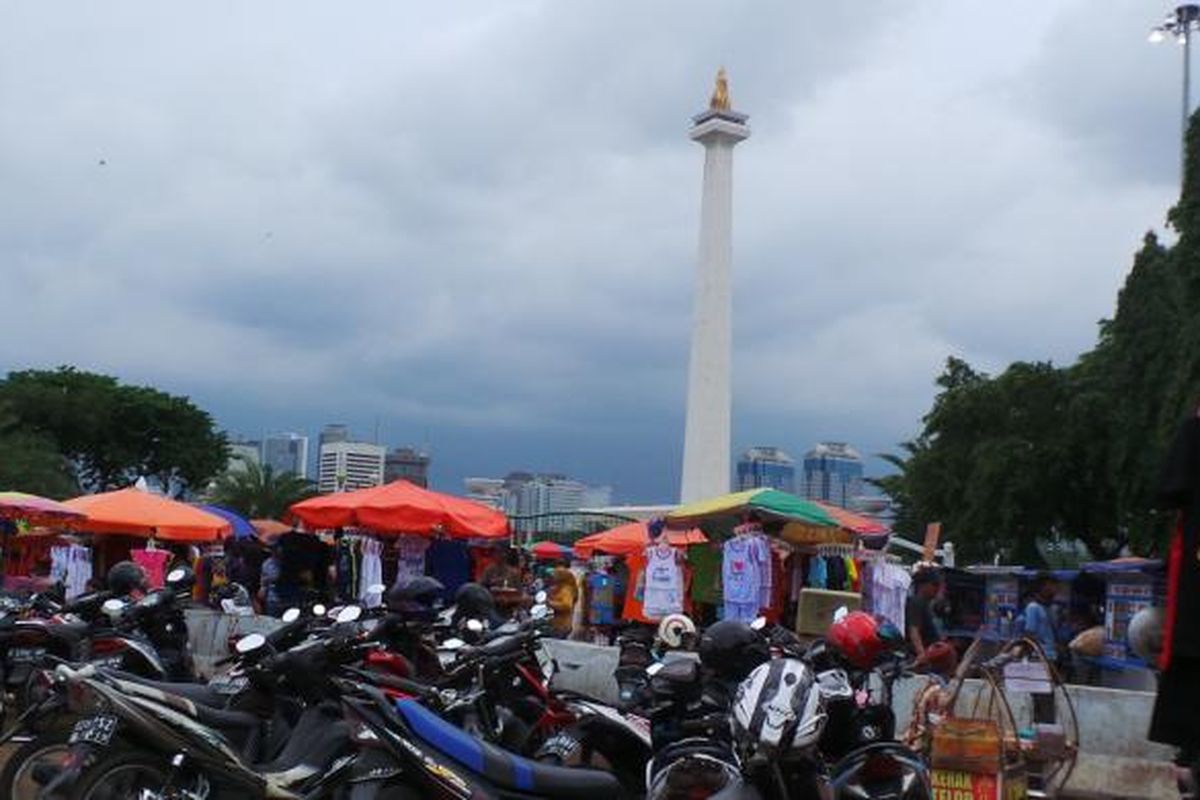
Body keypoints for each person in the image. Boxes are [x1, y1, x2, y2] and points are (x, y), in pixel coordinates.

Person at [906, 568, 953, 672]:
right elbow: (914, 630)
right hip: (921, 658)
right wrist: (921, 654)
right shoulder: (916, 602)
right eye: (934, 584)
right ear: (923, 585)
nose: (937, 589)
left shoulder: (927, 604)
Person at [1021, 573, 1060, 662]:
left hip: (1052, 654)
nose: (1054, 589)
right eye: (1051, 585)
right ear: (1042, 588)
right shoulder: (1033, 607)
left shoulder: (1051, 608)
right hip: (1040, 655)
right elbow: (1030, 633)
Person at [547, 559, 579, 638]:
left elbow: (566, 605)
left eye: (557, 575)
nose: (554, 576)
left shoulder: (566, 589)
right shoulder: (559, 587)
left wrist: (551, 603)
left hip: (563, 624)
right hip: (557, 623)